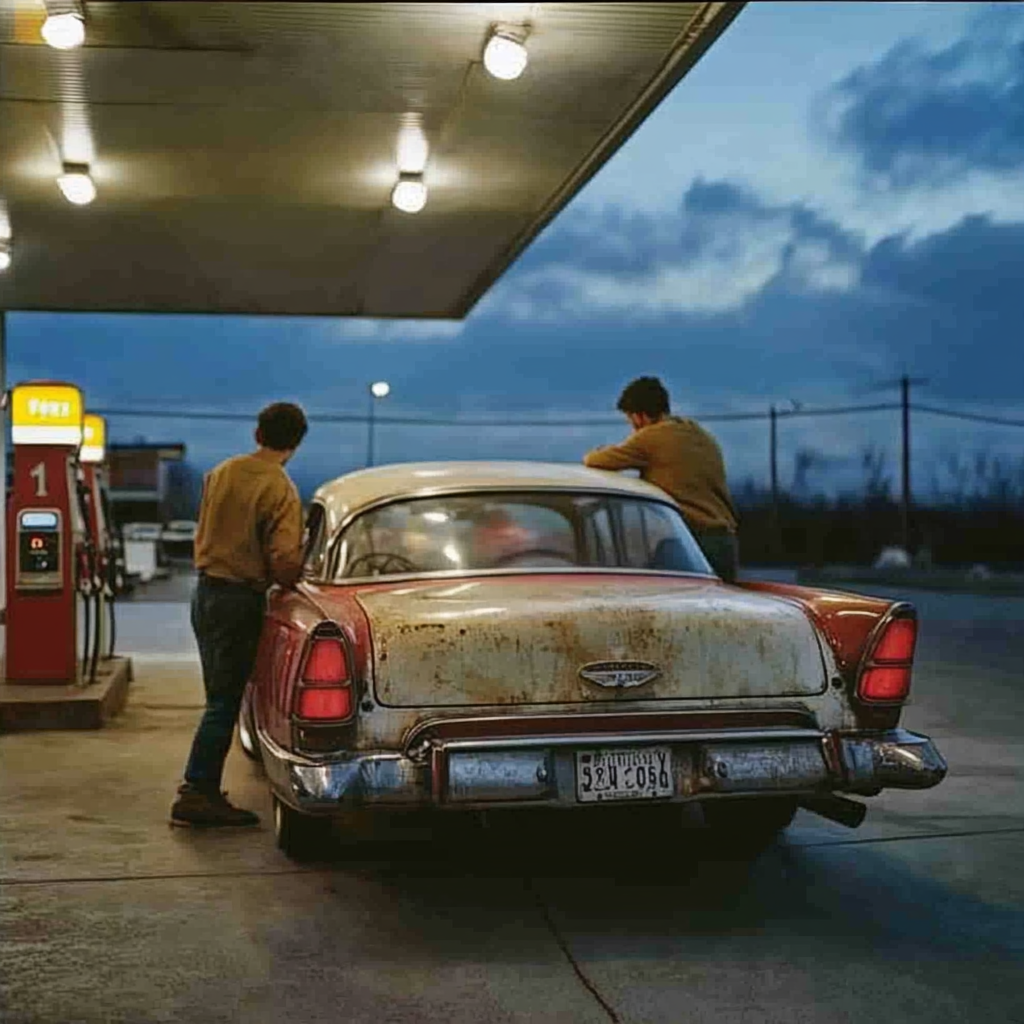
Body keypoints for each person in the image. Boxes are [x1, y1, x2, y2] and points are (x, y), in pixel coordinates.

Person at [170, 402, 308, 828]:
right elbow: (284, 566)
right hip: (239, 601)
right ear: (297, 443)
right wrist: (304, 560)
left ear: (257, 434)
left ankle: (199, 787)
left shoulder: (222, 472)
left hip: (206, 593)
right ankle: (197, 792)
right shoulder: (280, 488)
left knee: (218, 697)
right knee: (224, 703)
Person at [583, 377, 740, 581]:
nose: (633, 428)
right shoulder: (700, 434)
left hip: (692, 544)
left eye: (631, 420)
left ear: (640, 416)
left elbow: (595, 460)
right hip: (725, 542)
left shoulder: (651, 437)